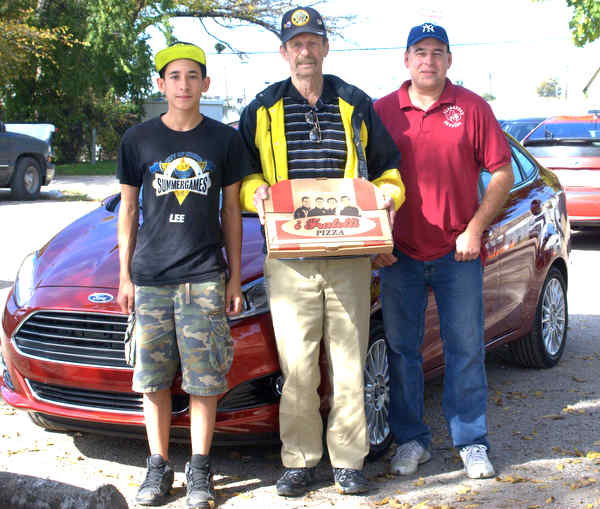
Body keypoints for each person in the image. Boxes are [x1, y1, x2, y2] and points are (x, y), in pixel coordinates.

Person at [238, 6, 405, 498]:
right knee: (298, 368)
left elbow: (389, 171)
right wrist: (256, 195)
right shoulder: (262, 108)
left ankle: (349, 461)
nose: (304, 51)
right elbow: (245, 177)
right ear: (284, 52)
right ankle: (300, 460)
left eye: (313, 41)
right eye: (295, 44)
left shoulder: (356, 103)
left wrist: (387, 198)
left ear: (326, 48)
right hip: (290, 259)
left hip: (350, 256)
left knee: (350, 362)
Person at [373, 23, 514, 479]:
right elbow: (360, 181)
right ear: (406, 59)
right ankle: (412, 441)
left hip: (460, 255)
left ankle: (471, 442)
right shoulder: (381, 112)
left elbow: (502, 173)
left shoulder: (472, 107)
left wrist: (475, 229)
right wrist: (375, 240)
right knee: (402, 351)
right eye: (420, 52)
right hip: (400, 257)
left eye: (437, 52)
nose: (428, 60)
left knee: (466, 349)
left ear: (449, 60)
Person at [116, 41, 252, 508]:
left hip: (203, 277)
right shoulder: (138, 139)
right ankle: (157, 468)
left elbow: (232, 210)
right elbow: (129, 209)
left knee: (203, 379)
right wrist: (125, 276)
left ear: (205, 84)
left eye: (192, 76)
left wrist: (233, 278)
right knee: (152, 379)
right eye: (174, 76)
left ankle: (199, 471)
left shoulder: (223, 141)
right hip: (150, 277)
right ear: (161, 84)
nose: (183, 84)